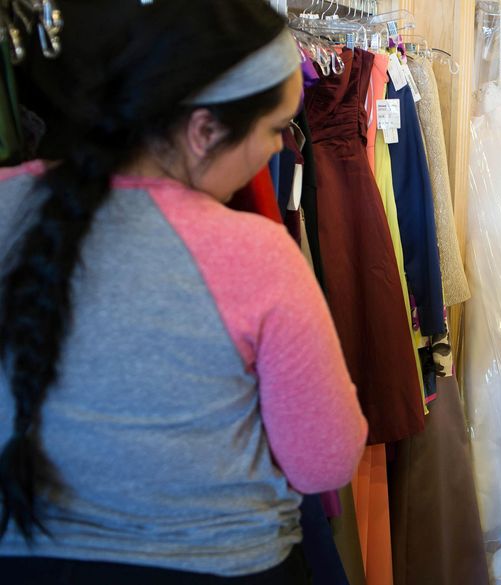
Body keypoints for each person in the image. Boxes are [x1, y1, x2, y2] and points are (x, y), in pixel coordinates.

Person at [0, 1, 367, 583]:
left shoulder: (7, 205)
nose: (279, 149)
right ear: (204, 130)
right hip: (221, 563)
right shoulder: (256, 254)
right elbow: (325, 460)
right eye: (276, 129)